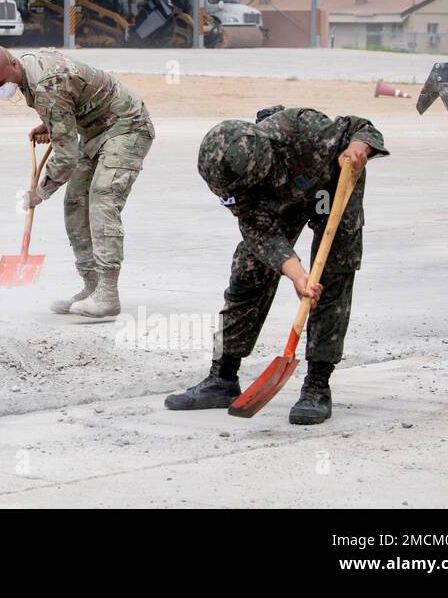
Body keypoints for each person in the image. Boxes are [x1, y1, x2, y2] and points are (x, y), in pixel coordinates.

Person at [165, 106, 387, 424]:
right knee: (249, 270)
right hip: (280, 196)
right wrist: (296, 274)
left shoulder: (304, 131)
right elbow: (260, 232)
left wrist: (359, 147)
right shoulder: (236, 180)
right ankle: (222, 378)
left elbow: (362, 127)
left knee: (333, 276)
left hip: (333, 185)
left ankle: (316, 387)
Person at [0, 45, 153, 320]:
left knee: (103, 197)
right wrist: (52, 126)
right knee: (75, 202)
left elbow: (67, 156)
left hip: (126, 126)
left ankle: (107, 294)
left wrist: (40, 191)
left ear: (12, 64)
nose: (1, 89)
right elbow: (67, 104)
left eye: (1, 82)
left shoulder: (46, 84)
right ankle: (91, 286)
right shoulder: (26, 72)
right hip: (95, 131)